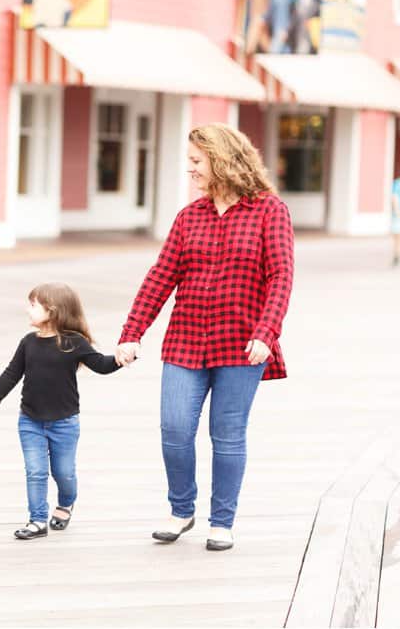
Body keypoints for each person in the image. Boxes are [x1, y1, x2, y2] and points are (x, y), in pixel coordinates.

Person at [115, 123, 294, 552]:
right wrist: (131, 333)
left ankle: (222, 521)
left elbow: (281, 277)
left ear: (222, 159)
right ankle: (181, 509)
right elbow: (161, 277)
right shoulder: (188, 217)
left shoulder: (269, 210)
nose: (190, 169)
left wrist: (266, 333)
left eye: (196, 161)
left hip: (243, 344)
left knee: (227, 434)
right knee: (174, 428)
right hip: (185, 341)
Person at [0, 283, 120, 540]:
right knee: (36, 471)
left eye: (33, 305)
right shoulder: (28, 342)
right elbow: (11, 375)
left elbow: (102, 365)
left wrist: (122, 357)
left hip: (64, 423)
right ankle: (37, 520)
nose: (27, 310)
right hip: (30, 420)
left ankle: (66, 503)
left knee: (63, 472)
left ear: (51, 310)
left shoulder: (74, 343)